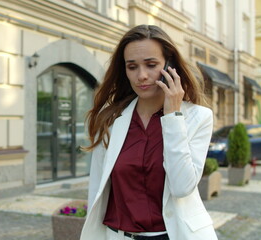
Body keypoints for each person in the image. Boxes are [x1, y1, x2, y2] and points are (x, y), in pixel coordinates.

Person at [80, 25, 218, 240]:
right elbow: (97, 188)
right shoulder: (110, 120)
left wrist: (173, 117)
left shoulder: (198, 117)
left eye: (151, 65)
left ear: (169, 66)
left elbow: (182, 187)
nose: (141, 76)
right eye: (132, 66)